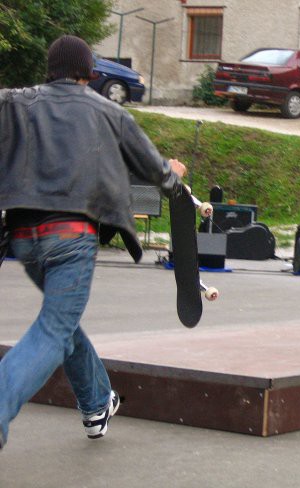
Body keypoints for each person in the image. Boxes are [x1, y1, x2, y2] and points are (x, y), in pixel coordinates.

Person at [0, 35, 187, 450]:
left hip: (24, 237)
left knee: (61, 322)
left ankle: (97, 401)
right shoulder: (108, 111)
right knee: (53, 328)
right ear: (89, 72)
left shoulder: (15, 101)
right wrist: (173, 177)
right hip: (71, 237)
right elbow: (152, 166)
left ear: (51, 69)